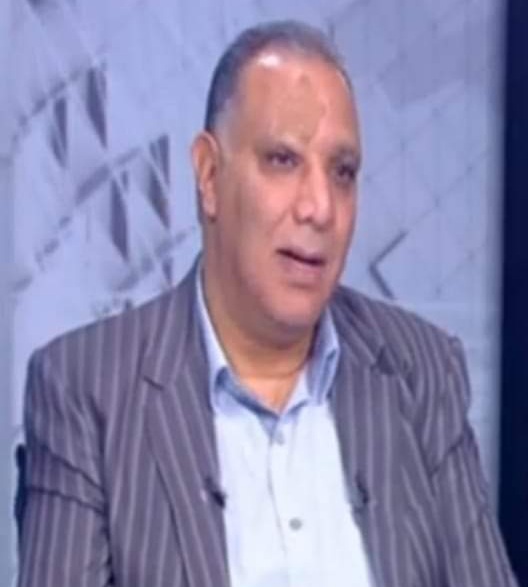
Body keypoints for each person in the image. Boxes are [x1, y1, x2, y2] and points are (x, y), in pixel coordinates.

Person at [18, 20, 518, 587]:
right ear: (209, 175)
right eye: (283, 160)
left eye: (343, 172)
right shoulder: (86, 390)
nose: (320, 207)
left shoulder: (421, 369)